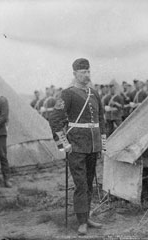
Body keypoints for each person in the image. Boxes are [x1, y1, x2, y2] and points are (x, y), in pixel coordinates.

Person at [49, 58, 106, 235]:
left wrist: (102, 145)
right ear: (75, 74)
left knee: (89, 183)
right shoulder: (68, 94)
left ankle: (86, 216)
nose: (87, 75)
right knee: (81, 184)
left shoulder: (94, 93)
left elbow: (101, 119)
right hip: (76, 146)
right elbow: (55, 119)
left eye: (88, 71)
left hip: (92, 146)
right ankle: (81, 221)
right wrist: (64, 144)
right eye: (83, 72)